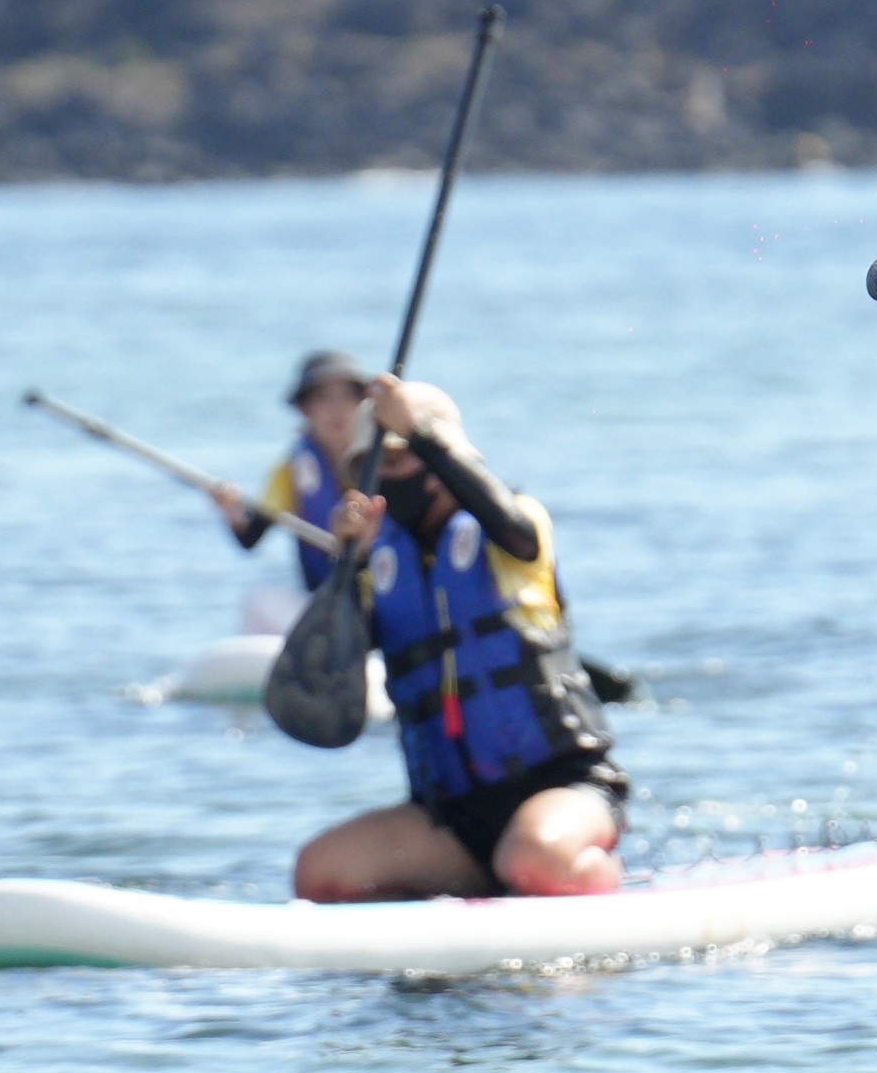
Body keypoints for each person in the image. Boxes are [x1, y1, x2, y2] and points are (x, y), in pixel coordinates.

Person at [290, 378, 626, 900]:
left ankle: (593, 879)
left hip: (562, 786)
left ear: (442, 457)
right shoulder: (377, 565)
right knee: (320, 873)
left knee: (533, 859)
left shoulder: (511, 527)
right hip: (451, 816)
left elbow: (515, 528)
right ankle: (485, 883)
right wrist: (346, 564)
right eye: (373, 470)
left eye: (400, 461)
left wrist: (419, 432)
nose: (386, 481)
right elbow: (326, 674)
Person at [211, 349, 369, 603]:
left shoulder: (388, 462)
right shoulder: (291, 471)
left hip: (382, 598)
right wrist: (232, 511)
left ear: (363, 403)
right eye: (323, 398)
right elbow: (250, 537)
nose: (337, 409)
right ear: (305, 408)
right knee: (259, 602)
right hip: (327, 603)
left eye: (348, 397)